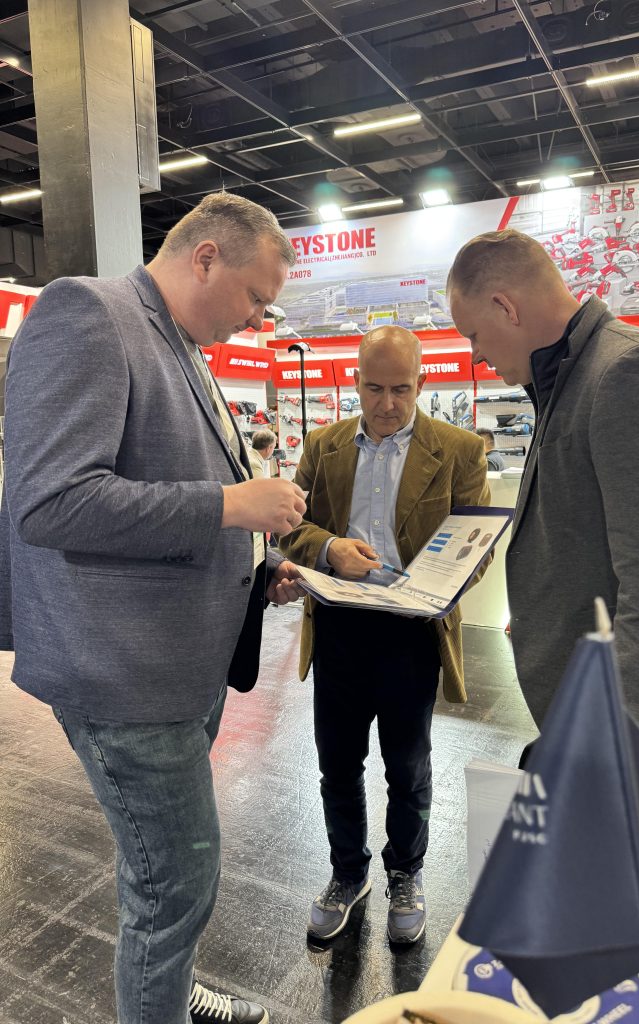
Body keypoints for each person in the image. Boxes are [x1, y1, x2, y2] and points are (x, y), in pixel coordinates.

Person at [0, 194, 308, 1024]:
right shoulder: (87, 314)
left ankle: (166, 987)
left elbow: (164, 486)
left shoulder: (182, 344)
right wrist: (231, 506)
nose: (258, 319)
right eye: (255, 296)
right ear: (206, 257)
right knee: (176, 880)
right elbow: (52, 503)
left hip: (180, 665)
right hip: (124, 673)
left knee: (163, 874)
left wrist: (260, 565)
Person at [447, 228, 639, 782]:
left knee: (624, 842)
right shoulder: (574, 373)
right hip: (602, 688)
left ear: (506, 307)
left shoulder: (629, 373)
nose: (475, 355)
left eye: (473, 334)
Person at [278, 326, 490, 944]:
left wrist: (437, 585)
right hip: (338, 628)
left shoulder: (459, 450)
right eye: (374, 388)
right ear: (355, 382)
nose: (388, 404)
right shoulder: (324, 446)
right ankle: (348, 873)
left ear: (421, 383)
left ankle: (406, 872)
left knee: (408, 766)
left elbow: (477, 549)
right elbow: (289, 526)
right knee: (337, 763)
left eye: (401, 389)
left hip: (411, 634)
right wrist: (329, 549)